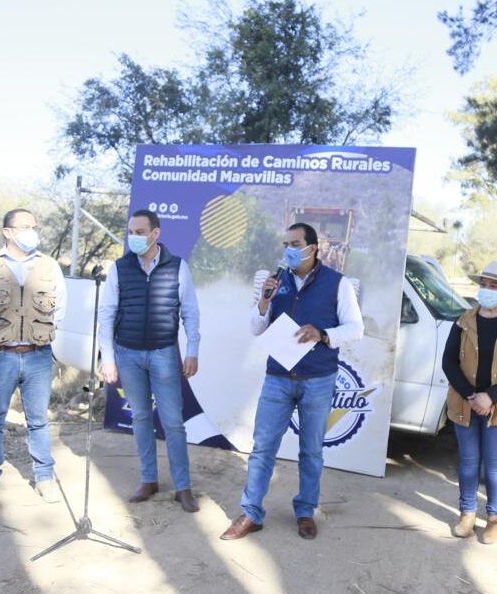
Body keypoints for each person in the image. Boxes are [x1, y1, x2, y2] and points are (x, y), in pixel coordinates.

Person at [220, 222, 363, 541]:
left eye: (295, 243)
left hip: (318, 379)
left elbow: (356, 328)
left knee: (311, 451)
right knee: (262, 448)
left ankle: (305, 511)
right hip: (278, 378)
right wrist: (263, 302)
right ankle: (251, 514)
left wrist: (324, 334)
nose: (289, 249)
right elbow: (257, 328)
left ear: (313, 248)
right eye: (285, 243)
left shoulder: (338, 284)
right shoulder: (275, 281)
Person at [0, 208, 67, 511]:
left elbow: (59, 309)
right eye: (24, 226)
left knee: (39, 421)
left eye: (34, 226)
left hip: (37, 356)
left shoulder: (49, 266)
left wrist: (38, 334)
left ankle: (44, 478)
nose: (31, 231)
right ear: (7, 232)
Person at [98, 209, 201, 511]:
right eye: (131, 231)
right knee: (141, 417)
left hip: (163, 354)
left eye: (140, 232)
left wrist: (192, 350)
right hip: (127, 354)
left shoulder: (177, 267)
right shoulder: (119, 268)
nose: (134, 237)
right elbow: (106, 314)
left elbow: (190, 312)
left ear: (156, 234)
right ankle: (148, 480)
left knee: (172, 422)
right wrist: (108, 357)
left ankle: (183, 488)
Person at [441, 260, 497, 543]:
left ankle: (495, 517)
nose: (487, 290)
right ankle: (467, 513)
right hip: (465, 403)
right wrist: (472, 396)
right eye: (483, 284)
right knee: (468, 462)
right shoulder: (464, 320)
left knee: (494, 463)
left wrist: (490, 397)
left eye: (493, 286)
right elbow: (449, 362)